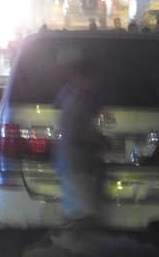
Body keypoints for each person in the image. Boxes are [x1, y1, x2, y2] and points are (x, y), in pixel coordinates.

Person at [54, 55, 107, 230]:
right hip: (77, 165)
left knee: (76, 214)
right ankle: (64, 242)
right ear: (84, 77)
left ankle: (63, 241)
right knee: (83, 217)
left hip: (73, 165)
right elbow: (76, 133)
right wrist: (101, 141)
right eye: (95, 78)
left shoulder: (69, 95)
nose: (97, 83)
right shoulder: (78, 100)